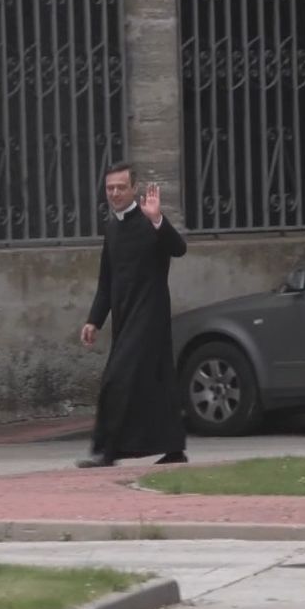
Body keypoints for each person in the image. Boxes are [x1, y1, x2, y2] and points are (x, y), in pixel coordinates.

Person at [75, 162, 189, 468]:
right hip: (125, 317)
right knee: (157, 381)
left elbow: (179, 248)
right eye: (110, 188)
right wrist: (94, 320)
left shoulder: (150, 221)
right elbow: (106, 280)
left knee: (116, 380)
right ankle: (173, 448)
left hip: (150, 315)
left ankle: (107, 450)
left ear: (134, 188)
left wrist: (158, 220)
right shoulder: (112, 228)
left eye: (121, 187)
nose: (114, 193)